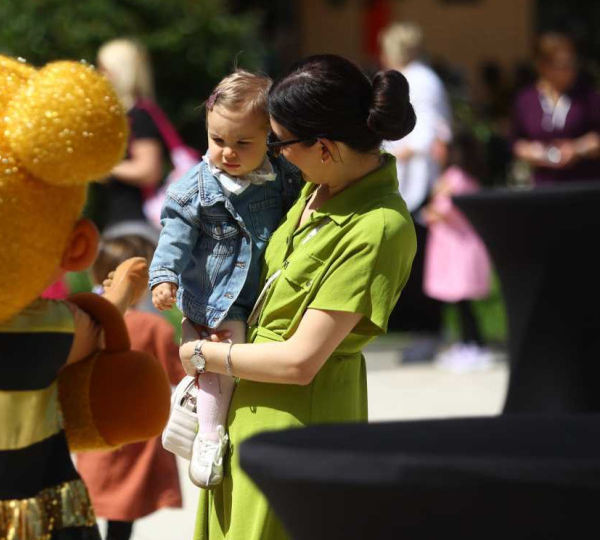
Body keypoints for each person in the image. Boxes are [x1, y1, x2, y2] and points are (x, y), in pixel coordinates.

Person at [179, 54, 417, 540]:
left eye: (279, 142)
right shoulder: (313, 189)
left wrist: (200, 354)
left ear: (325, 147)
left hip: (298, 427)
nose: (275, 153)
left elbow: (299, 362)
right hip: (243, 413)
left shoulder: (380, 226)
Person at [149, 70, 301, 489]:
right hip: (219, 297)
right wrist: (164, 278)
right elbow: (173, 240)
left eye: (242, 143)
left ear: (268, 138)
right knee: (224, 351)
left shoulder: (283, 177)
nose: (228, 152)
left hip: (266, 292)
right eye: (218, 140)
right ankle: (210, 434)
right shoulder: (194, 190)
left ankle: (196, 393)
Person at [76, 233, 184, 540]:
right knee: (122, 521)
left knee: (87, 504)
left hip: (93, 431)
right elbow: (178, 372)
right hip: (135, 439)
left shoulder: (85, 320)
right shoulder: (153, 328)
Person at [379, 22, 451, 360]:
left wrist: (397, 151)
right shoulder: (412, 76)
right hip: (407, 178)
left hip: (418, 179)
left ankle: (428, 331)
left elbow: (429, 131)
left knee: (420, 259)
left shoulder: (421, 80)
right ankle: (419, 330)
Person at [422, 132, 494, 373]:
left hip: (461, 249)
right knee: (459, 303)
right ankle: (466, 343)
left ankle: (475, 345)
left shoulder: (457, 178)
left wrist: (430, 212)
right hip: (452, 248)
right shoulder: (451, 176)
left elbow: (445, 210)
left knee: (465, 303)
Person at [90, 39, 165, 230]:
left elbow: (148, 170)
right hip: (125, 221)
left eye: (103, 68)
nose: (99, 75)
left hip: (137, 223)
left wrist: (102, 167)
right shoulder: (125, 115)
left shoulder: (138, 115)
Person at [511, 32, 600, 185]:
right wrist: (533, 152)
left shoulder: (589, 97)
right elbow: (516, 141)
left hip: (583, 185)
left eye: (571, 64)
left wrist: (577, 149)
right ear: (543, 66)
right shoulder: (526, 100)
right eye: (561, 65)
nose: (569, 70)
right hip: (543, 186)